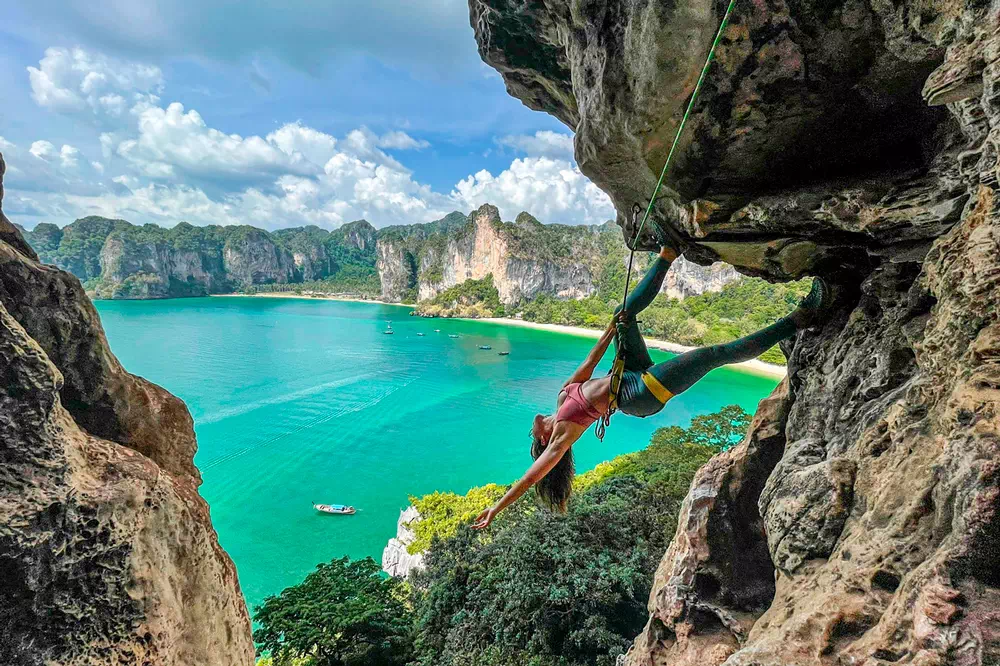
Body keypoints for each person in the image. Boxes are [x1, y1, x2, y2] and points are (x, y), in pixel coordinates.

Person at [472, 243, 831, 528]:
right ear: (541, 440)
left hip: (628, 371)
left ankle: (668, 253)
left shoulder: (562, 394)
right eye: (530, 435)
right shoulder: (562, 436)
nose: (530, 426)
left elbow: (590, 362)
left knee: (622, 309)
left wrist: (613, 329)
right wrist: (495, 509)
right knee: (712, 354)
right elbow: (529, 479)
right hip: (637, 395)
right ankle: (800, 318)